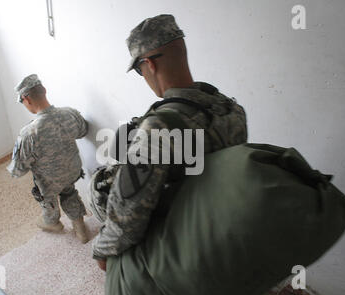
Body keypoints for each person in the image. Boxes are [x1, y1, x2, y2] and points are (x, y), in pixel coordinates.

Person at [90, 14, 248, 270]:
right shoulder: (228, 107)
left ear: (149, 64)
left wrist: (101, 252)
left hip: (186, 238)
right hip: (223, 217)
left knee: (100, 186)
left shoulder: (158, 129)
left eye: (140, 71)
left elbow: (126, 220)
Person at [7, 74, 89, 243]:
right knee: (69, 192)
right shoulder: (69, 113)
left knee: (47, 196)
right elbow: (83, 130)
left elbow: (18, 170)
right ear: (44, 91)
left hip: (49, 180)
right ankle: (80, 227)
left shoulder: (28, 133)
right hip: (73, 170)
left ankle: (52, 222)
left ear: (26, 99)